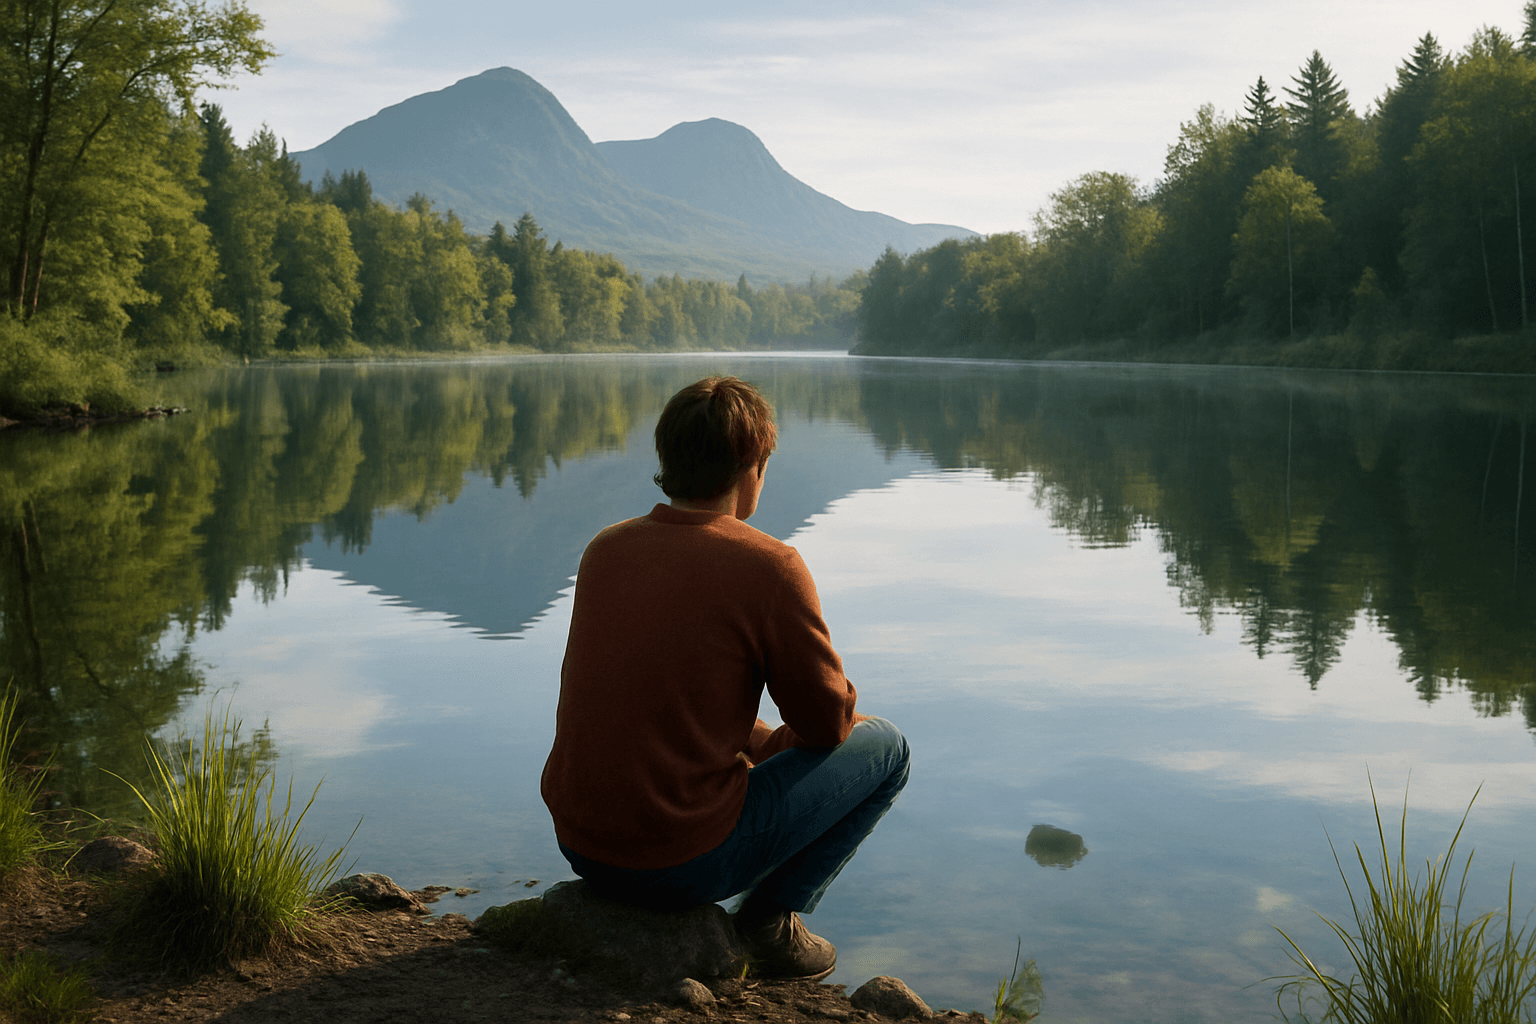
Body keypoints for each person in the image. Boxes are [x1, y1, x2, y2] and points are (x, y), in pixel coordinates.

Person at [541, 375, 910, 980]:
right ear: (753, 466)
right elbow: (825, 724)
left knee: (781, 745)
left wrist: (763, 743)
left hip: (581, 843)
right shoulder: (770, 566)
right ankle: (768, 922)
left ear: (668, 459)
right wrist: (819, 724)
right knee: (886, 747)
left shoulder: (605, 550)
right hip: (679, 862)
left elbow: (664, 700)